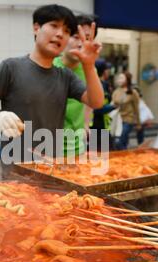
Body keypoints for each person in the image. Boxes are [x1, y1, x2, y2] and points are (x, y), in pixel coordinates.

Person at [0, 5, 104, 175]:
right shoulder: (11, 67)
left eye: (66, 30)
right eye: (54, 26)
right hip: (17, 171)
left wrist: (88, 64)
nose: (60, 34)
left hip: (53, 170)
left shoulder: (66, 76)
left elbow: (96, 102)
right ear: (36, 28)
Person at [53, 14, 97, 156]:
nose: (80, 44)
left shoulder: (90, 69)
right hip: (45, 145)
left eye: (87, 38)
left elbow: (92, 100)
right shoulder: (49, 65)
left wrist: (86, 123)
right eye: (76, 37)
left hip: (76, 146)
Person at [89, 59, 115, 151]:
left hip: (102, 125)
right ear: (105, 71)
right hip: (97, 126)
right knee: (101, 155)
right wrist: (114, 106)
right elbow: (97, 108)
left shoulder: (105, 85)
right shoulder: (98, 85)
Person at [112, 72, 140, 150]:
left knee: (120, 140)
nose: (119, 80)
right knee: (122, 141)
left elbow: (136, 108)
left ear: (127, 80)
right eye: (119, 78)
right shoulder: (116, 92)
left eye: (122, 78)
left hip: (128, 119)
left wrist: (138, 123)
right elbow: (113, 105)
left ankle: (125, 155)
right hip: (118, 120)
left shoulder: (133, 92)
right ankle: (124, 156)